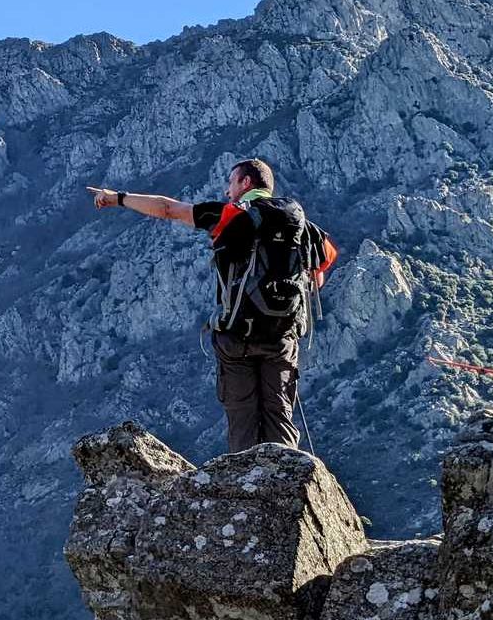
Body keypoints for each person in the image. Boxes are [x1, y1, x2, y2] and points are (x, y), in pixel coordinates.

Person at [85, 159, 337, 453]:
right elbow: (317, 278)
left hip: (236, 337)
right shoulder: (302, 226)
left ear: (245, 184)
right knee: (279, 416)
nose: (227, 190)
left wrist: (118, 198)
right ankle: (287, 484)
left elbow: (169, 209)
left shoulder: (230, 215)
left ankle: (246, 489)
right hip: (281, 337)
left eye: (231, 182)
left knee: (243, 421)